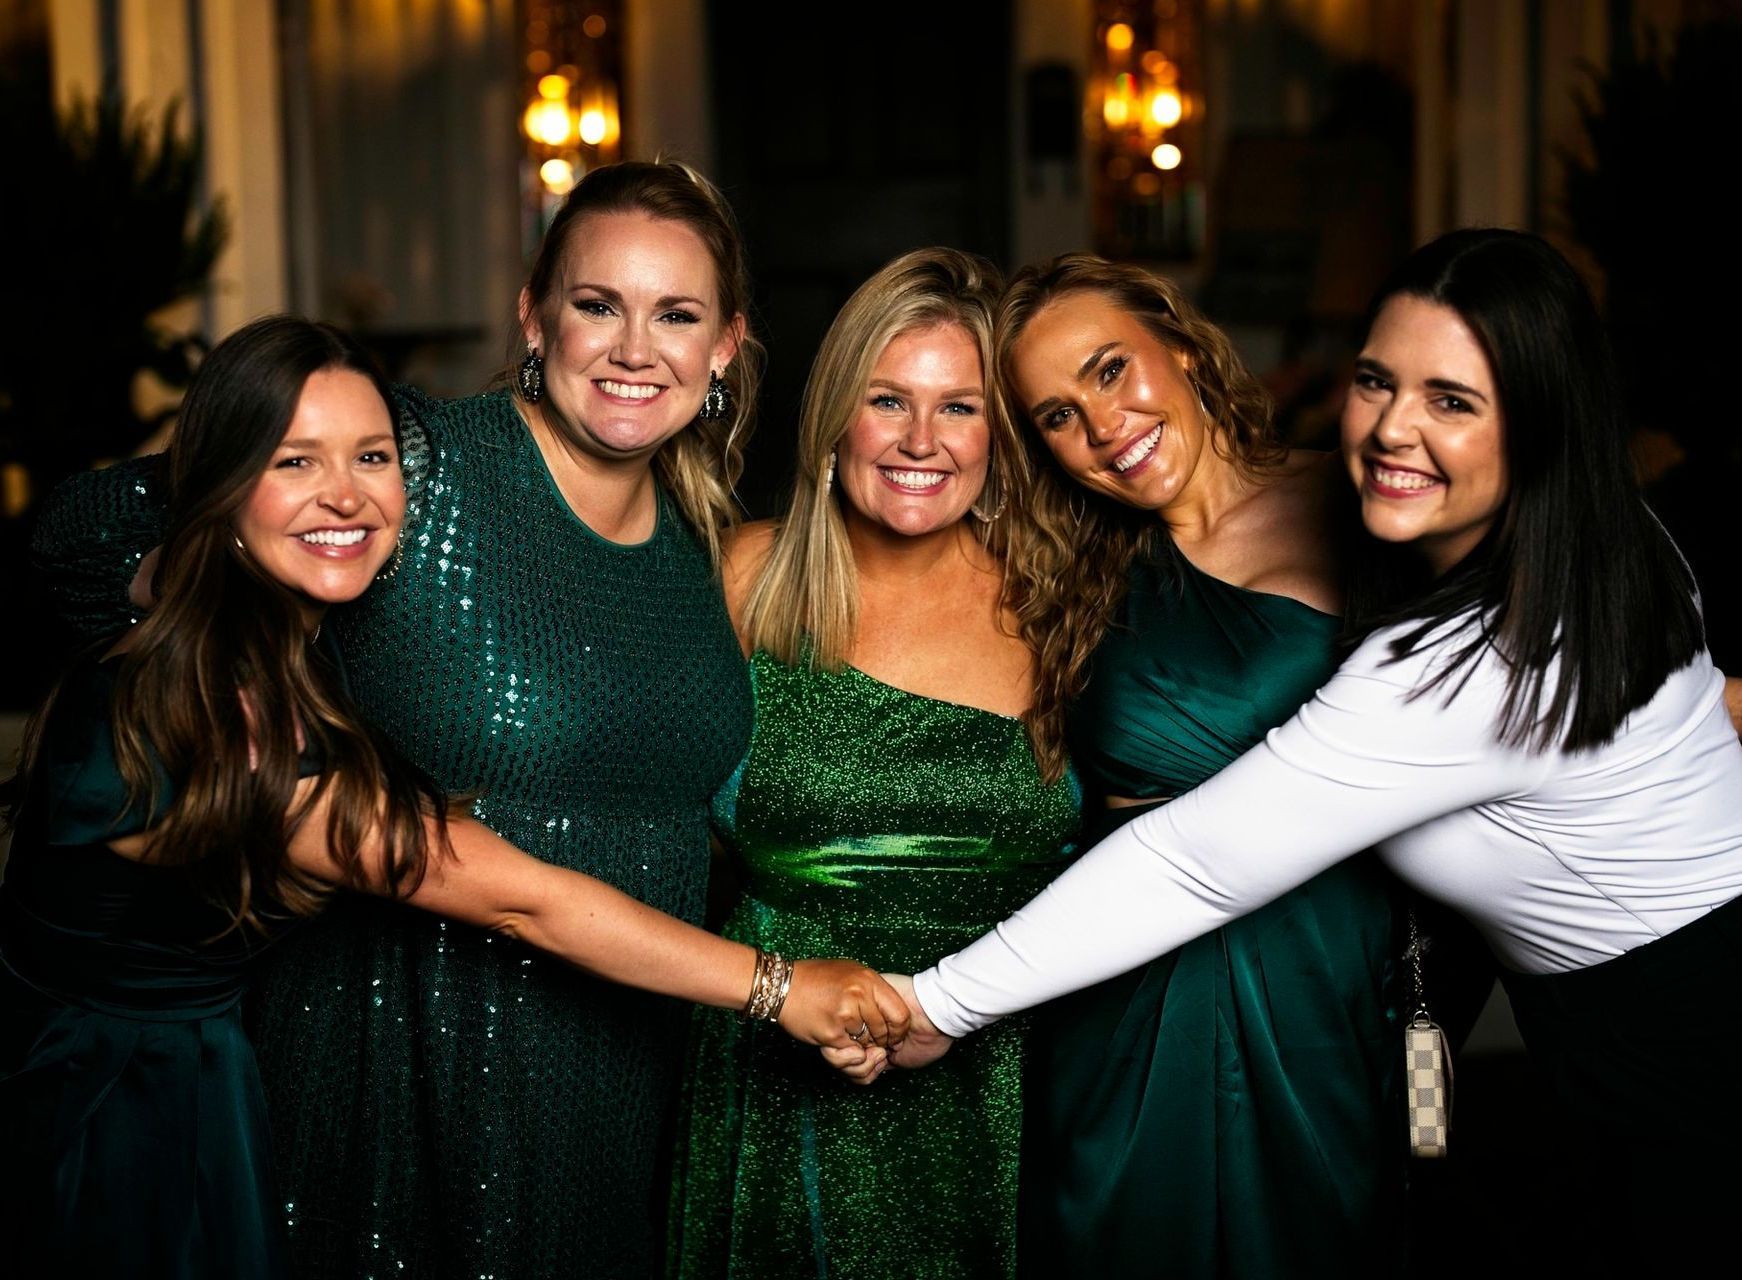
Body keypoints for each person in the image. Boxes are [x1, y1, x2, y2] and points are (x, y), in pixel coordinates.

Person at [28, 162, 894, 1278]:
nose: (636, 349)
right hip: (400, 1055)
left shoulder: (701, 537)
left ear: (724, 345)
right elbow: (79, 531)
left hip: (627, 1064)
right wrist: (227, 616)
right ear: (533, 314)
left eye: (674, 315)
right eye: (597, 305)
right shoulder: (409, 460)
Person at [875, 230, 1742, 1278]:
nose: (1393, 428)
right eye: (1375, 382)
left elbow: (1196, 855)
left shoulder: (1464, 642)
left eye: (1450, 401)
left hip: (1644, 1022)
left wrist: (935, 1003)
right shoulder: (1594, 537)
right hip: (1556, 1011)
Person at [666, 249, 1080, 1278]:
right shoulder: (741, 576)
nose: (919, 441)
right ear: (833, 418)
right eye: (885, 398)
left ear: (1002, 434)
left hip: (1010, 1071)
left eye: (960, 407)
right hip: (771, 1069)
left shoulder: (1062, 602)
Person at [994, 253, 1408, 1276]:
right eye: (1053, 414)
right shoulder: (1067, 571)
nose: (1100, 427)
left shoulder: (1370, 503)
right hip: (1136, 994)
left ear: (1175, 341)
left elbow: (1538, 657)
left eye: (1107, 370)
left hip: (1322, 977)